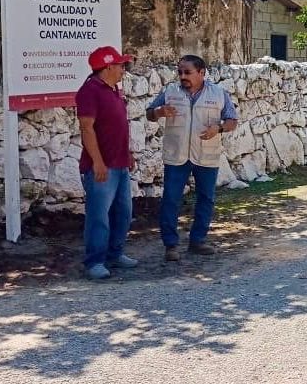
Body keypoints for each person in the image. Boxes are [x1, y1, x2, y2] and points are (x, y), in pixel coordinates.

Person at [146, 54, 239, 260]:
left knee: (206, 199)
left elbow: (232, 120)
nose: (182, 76)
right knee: (171, 199)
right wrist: (159, 112)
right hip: (176, 155)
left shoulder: (218, 94)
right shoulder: (171, 91)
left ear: (201, 73)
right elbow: (149, 113)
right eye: (180, 72)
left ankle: (198, 241)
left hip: (206, 155)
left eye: (187, 72)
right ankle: (171, 245)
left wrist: (219, 128)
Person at [76, 45, 137, 280]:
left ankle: (115, 253)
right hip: (102, 167)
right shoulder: (90, 91)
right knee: (98, 216)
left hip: (119, 164)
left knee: (123, 212)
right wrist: (98, 162)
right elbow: (86, 128)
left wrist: (127, 153)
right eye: (120, 65)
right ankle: (95, 261)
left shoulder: (113, 90)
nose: (123, 69)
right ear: (108, 67)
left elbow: (118, 125)